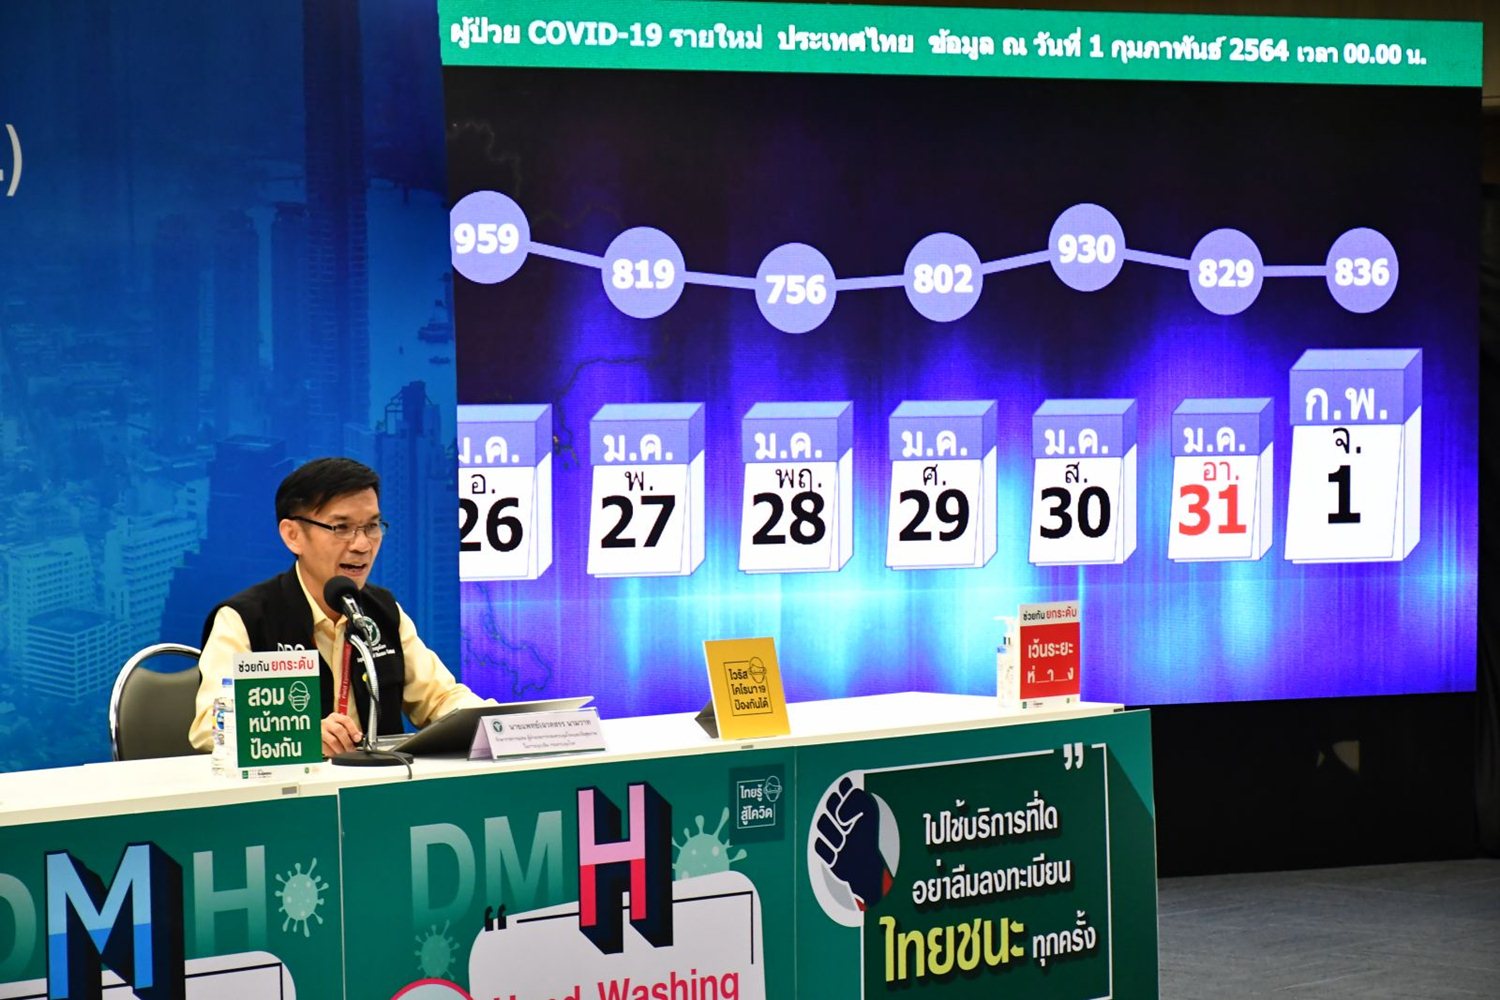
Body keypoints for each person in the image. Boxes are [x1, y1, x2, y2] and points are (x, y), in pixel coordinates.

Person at [189, 457, 486, 757]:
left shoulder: (381, 611)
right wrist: (300, 735)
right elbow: (209, 728)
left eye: (372, 526)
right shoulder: (245, 619)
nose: (362, 545)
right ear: (293, 535)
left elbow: (440, 699)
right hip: (291, 784)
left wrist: (496, 721)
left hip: (379, 782)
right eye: (342, 528)